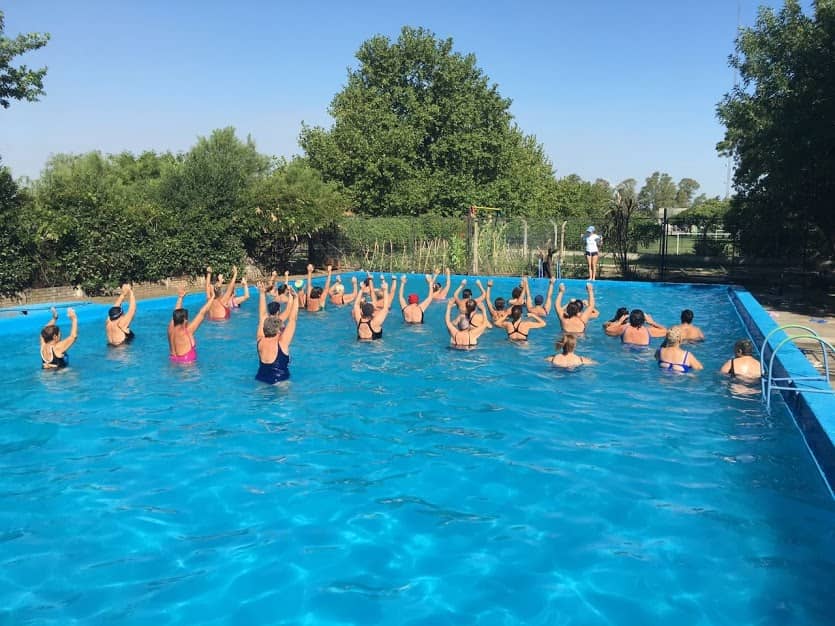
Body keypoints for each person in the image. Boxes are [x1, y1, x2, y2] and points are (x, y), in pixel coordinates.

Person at [255, 281, 299, 384]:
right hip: (280, 381)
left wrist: (262, 294)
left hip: (261, 379)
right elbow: (292, 319)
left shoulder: (260, 340)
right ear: (278, 330)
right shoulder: (282, 342)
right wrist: (295, 298)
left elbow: (262, 317)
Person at [168, 287, 214, 363]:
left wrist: (180, 298)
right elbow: (202, 313)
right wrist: (213, 297)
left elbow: (175, 312)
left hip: (173, 361)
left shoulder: (170, 329)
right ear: (185, 320)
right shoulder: (187, 331)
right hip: (187, 366)